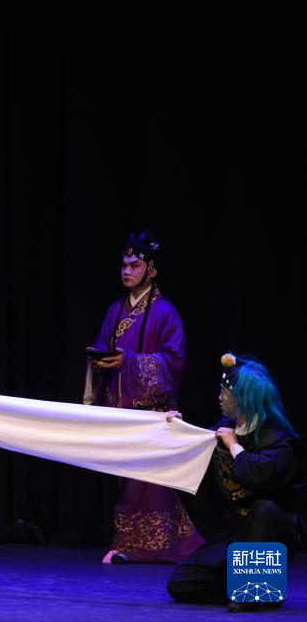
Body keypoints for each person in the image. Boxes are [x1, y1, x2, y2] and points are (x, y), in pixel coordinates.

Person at [83, 229, 203, 563]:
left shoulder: (166, 313)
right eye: (123, 265)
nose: (126, 271)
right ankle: (160, 542)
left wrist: (130, 362)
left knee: (147, 484)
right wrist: (99, 360)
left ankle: (136, 547)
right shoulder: (114, 311)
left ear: (152, 270)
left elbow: (175, 363)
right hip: (120, 410)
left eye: (134, 265)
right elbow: (105, 349)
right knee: (129, 481)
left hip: (152, 413)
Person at [166, 353, 303, 611]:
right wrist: (180, 427)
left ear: (243, 398)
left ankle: (253, 590)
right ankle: (263, 587)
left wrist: (234, 447)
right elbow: (197, 444)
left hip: (270, 533)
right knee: (182, 584)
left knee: (264, 508)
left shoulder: (278, 439)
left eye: (224, 392)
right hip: (237, 531)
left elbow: (258, 476)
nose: (219, 397)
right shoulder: (225, 427)